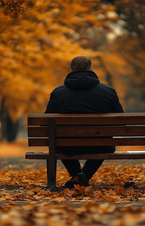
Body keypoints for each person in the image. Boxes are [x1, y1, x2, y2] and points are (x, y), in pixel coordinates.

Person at [45, 56, 124, 188]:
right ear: (90, 69)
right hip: (101, 145)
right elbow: (121, 119)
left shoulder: (58, 93)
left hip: (66, 145)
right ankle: (84, 176)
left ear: (71, 70)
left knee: (59, 144)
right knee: (105, 144)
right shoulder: (108, 91)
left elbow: (46, 122)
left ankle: (78, 175)